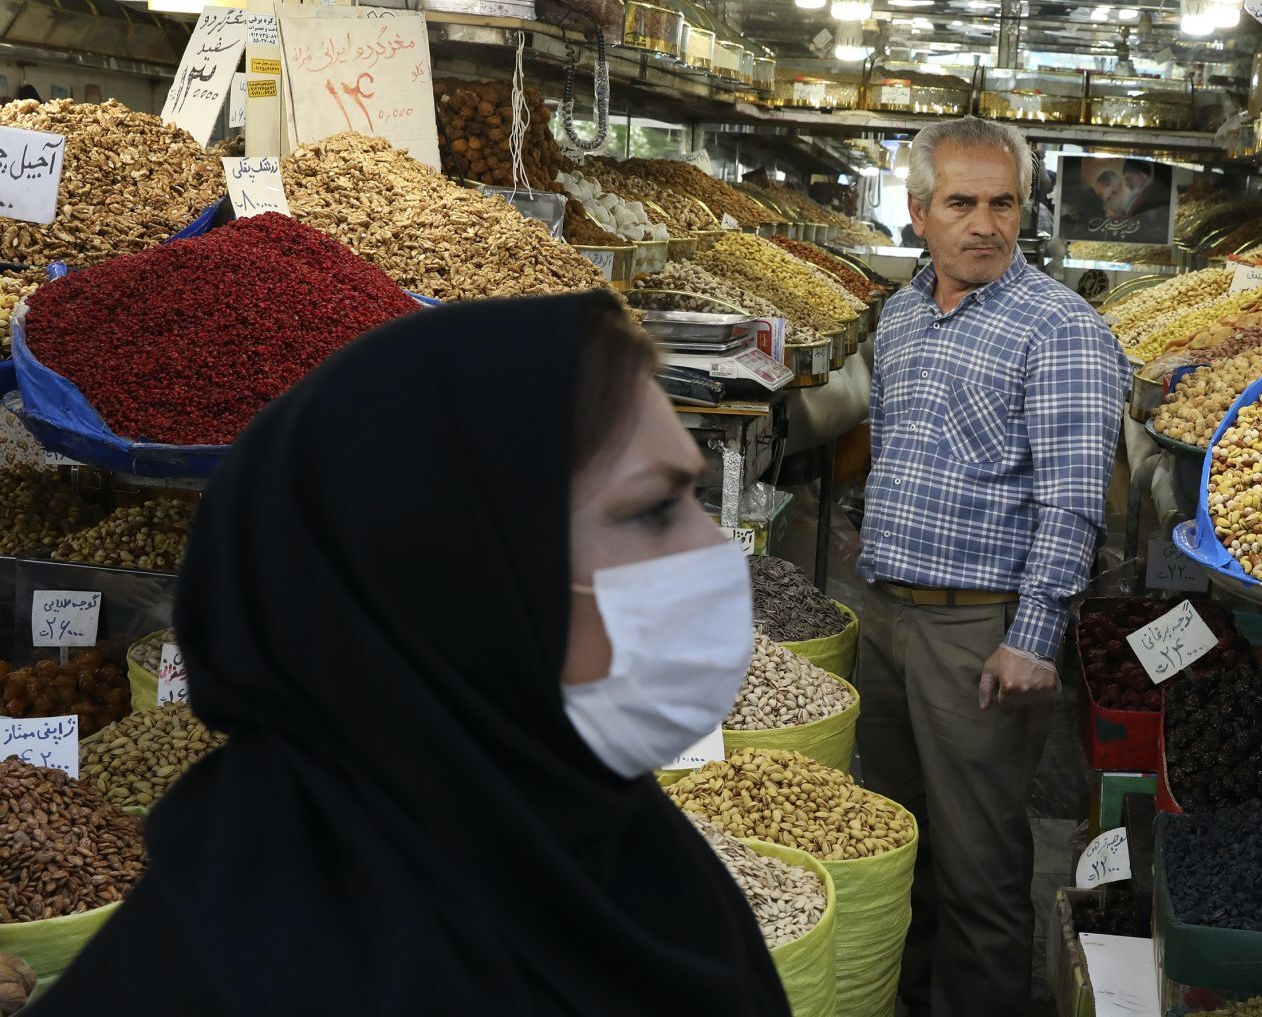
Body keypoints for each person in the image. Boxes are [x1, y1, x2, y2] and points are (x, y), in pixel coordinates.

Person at [38, 293, 791, 1016]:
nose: (712, 547)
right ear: (456, 576)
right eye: (652, 508)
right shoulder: (219, 978)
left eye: (692, 495)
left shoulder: (622, 850)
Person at [857, 116, 1127, 1017]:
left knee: (978, 869)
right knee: (900, 845)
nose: (984, 224)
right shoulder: (898, 316)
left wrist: (1032, 637)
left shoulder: (1059, 328)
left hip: (979, 630)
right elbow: (889, 449)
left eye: (1002, 203)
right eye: (962, 203)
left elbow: (1073, 502)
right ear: (918, 211)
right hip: (889, 617)